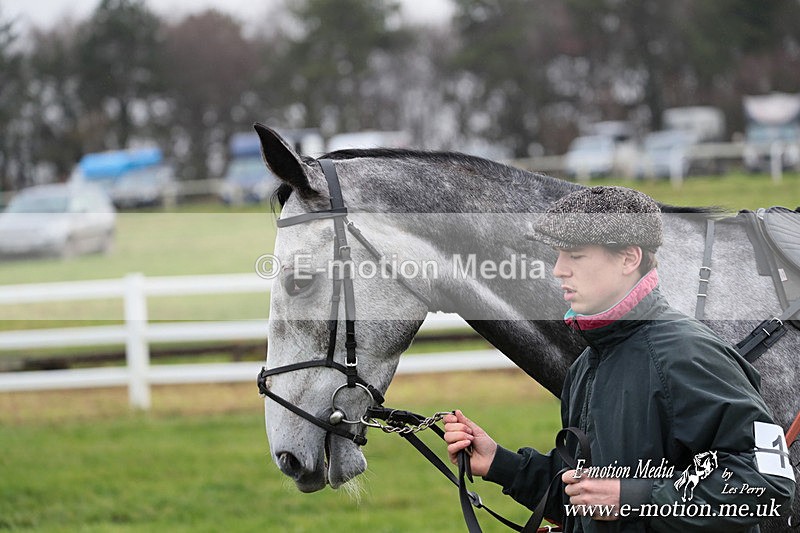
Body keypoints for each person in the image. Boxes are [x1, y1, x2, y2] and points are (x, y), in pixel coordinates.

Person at [443, 186, 795, 532]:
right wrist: (501, 464)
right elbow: (589, 505)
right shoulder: (585, 366)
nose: (558, 270)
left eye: (575, 256)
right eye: (558, 255)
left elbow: (768, 483)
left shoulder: (690, 354)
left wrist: (634, 497)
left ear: (629, 258)